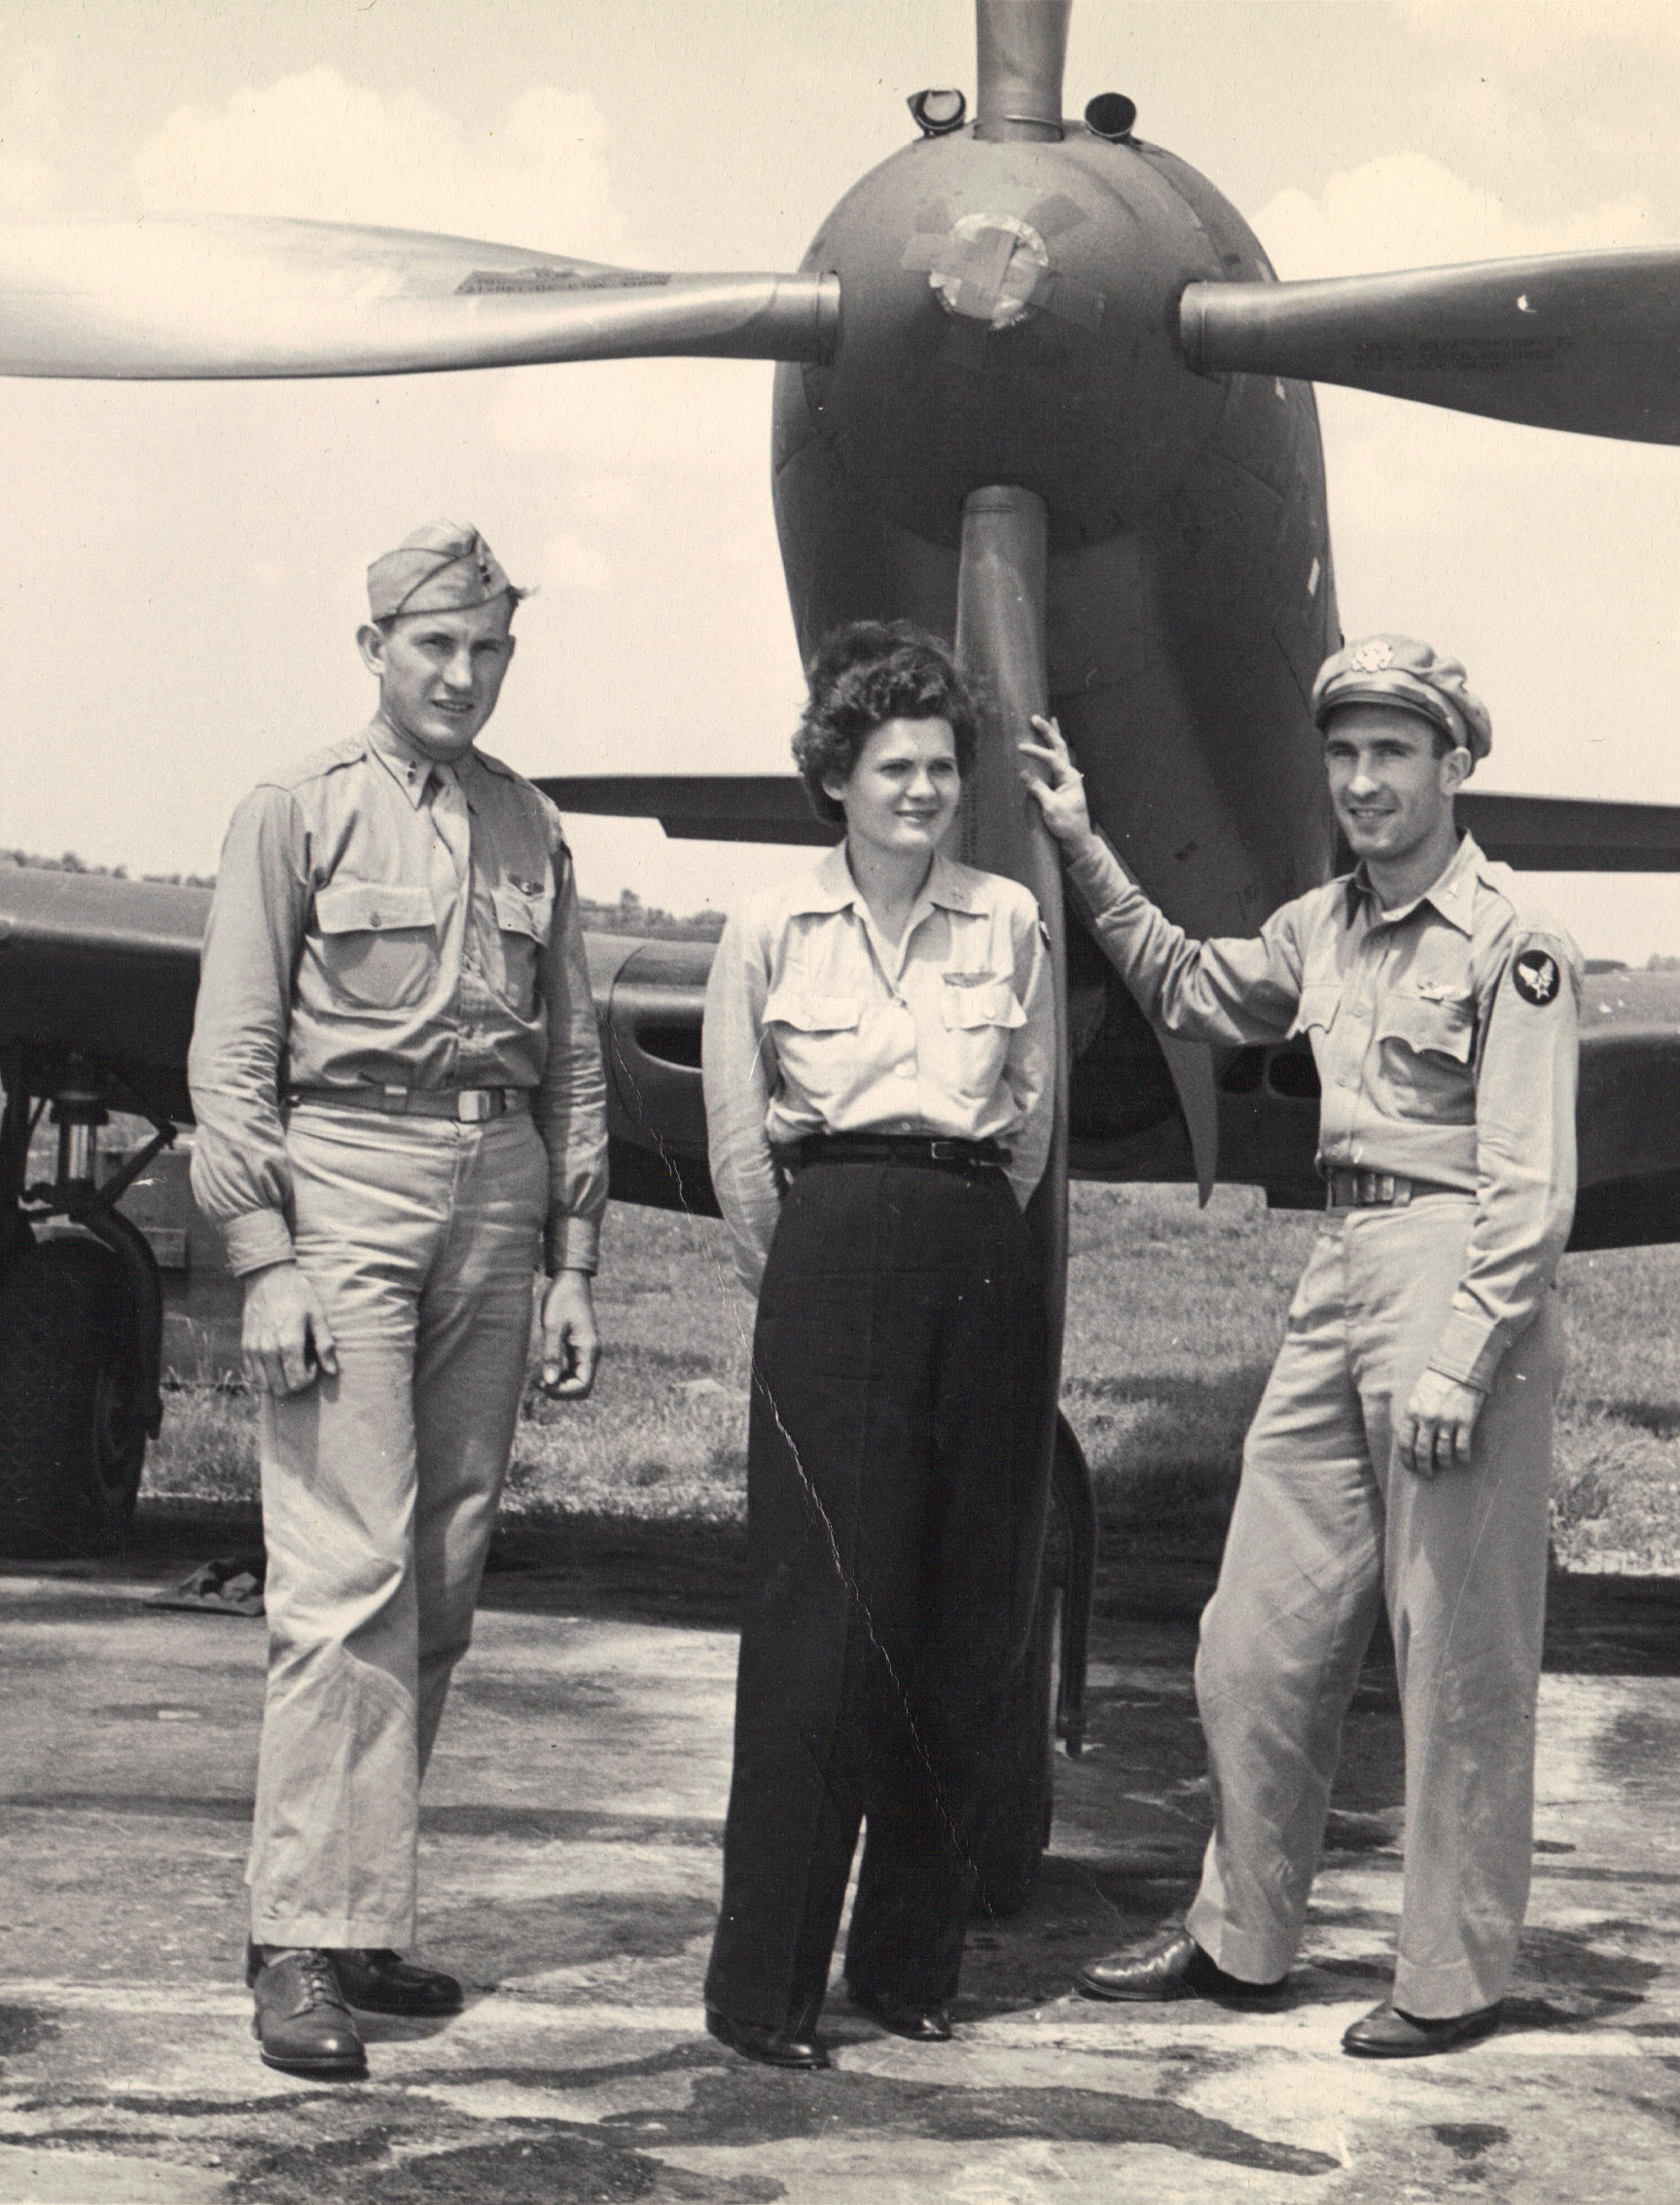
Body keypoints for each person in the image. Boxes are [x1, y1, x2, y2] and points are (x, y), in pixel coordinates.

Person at [1019, 634, 1579, 2059]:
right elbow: (1190, 986)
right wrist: (1084, 844)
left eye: (1394, 753)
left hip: (1461, 1280)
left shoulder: (1514, 944)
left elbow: (1530, 1187)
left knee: (1455, 1648)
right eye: (1343, 754)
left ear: (1455, 768)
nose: (1363, 782)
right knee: (1247, 1642)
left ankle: (1451, 1979)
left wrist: (1459, 1360)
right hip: (1338, 1268)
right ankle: (1242, 1939)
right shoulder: (1318, 928)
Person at [188, 520, 609, 2080]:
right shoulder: (292, 813)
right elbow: (232, 1062)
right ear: (376, 650)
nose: (464, 673)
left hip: (497, 1199)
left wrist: (573, 1263)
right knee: (342, 1573)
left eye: (489, 648)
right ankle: (295, 1938)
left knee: (439, 1568)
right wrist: (265, 1256)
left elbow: (565, 1058)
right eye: (437, 645)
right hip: (345, 1188)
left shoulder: (529, 824)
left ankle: (357, 1914)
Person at [700, 621, 1056, 2069]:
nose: (921, 789)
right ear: (834, 778)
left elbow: (1026, 1121)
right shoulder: (767, 928)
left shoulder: (1009, 922)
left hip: (978, 1249)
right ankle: (762, 1988)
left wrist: (960, 1228)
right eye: (891, 764)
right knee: (822, 1620)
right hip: (830, 1247)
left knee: (961, 1608)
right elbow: (739, 1144)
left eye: (940, 766)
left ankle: (910, 1963)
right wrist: (818, 1257)